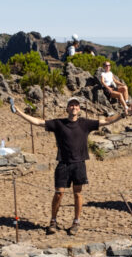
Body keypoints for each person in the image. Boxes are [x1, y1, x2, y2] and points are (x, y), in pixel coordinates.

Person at [11, 97, 125, 235]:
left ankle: (76, 222)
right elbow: (38, 122)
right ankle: (53, 221)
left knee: (77, 194)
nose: (74, 107)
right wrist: (19, 112)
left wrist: (122, 115)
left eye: (76, 105)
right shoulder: (59, 123)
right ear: (67, 108)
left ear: (79, 109)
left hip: (79, 164)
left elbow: (106, 121)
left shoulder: (85, 123)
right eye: (71, 105)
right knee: (59, 193)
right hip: (63, 164)